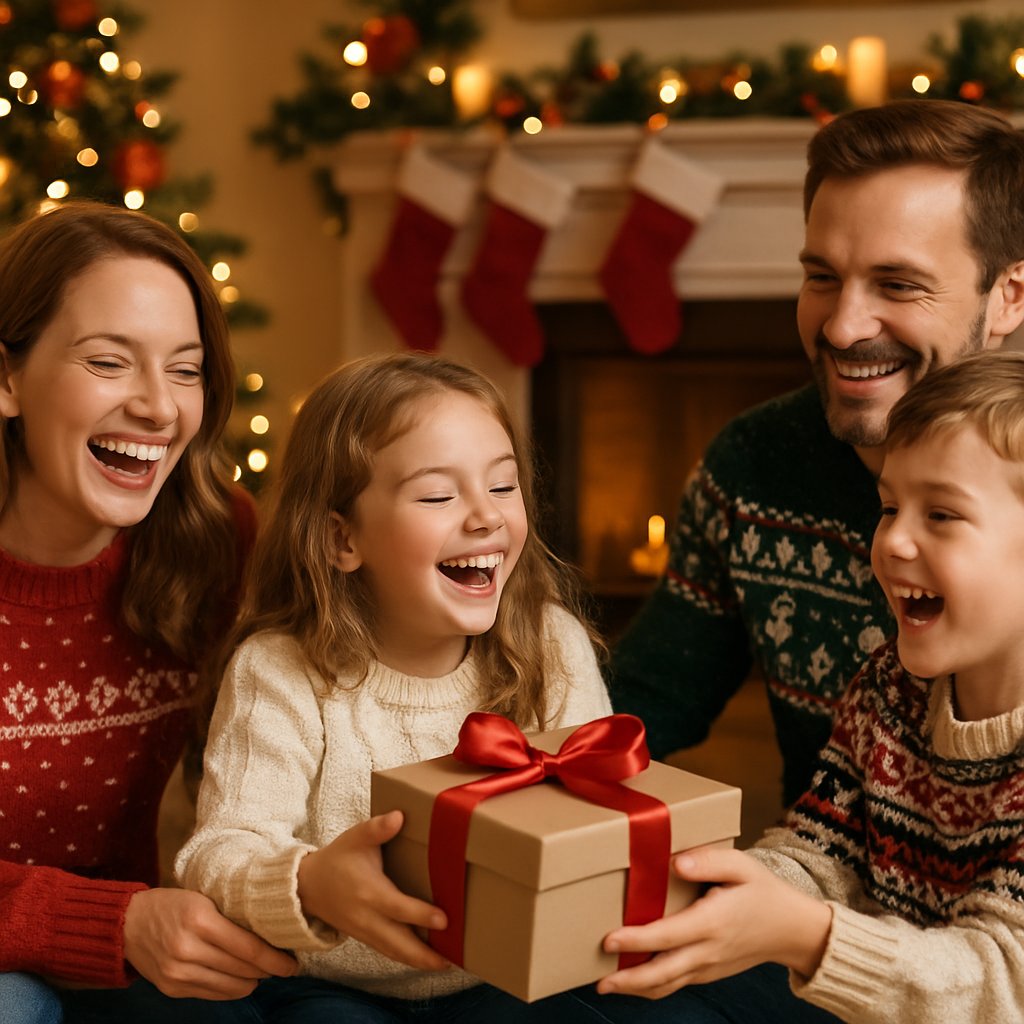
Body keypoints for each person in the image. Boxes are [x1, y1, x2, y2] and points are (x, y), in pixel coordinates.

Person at [568, 348, 1024, 1022]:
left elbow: (1002, 987)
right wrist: (738, 895)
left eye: (942, 516)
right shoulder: (887, 691)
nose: (894, 541)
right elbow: (821, 850)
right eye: (890, 507)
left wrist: (807, 935)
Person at [174, 352, 613, 1023]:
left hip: (499, 980)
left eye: (502, 486)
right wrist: (310, 883)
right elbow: (219, 853)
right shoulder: (280, 672)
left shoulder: (551, 646)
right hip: (327, 983)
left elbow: (600, 822)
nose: (485, 518)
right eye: (439, 496)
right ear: (340, 538)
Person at [610, 98, 1024, 808]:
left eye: (898, 284)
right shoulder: (750, 464)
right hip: (809, 878)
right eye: (823, 277)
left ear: (1010, 297)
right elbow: (641, 704)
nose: (842, 325)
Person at [0, 201, 296, 1023]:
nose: (160, 409)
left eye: (185, 368)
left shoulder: (216, 541)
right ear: (7, 378)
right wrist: (114, 921)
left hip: (128, 955)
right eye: (109, 362)